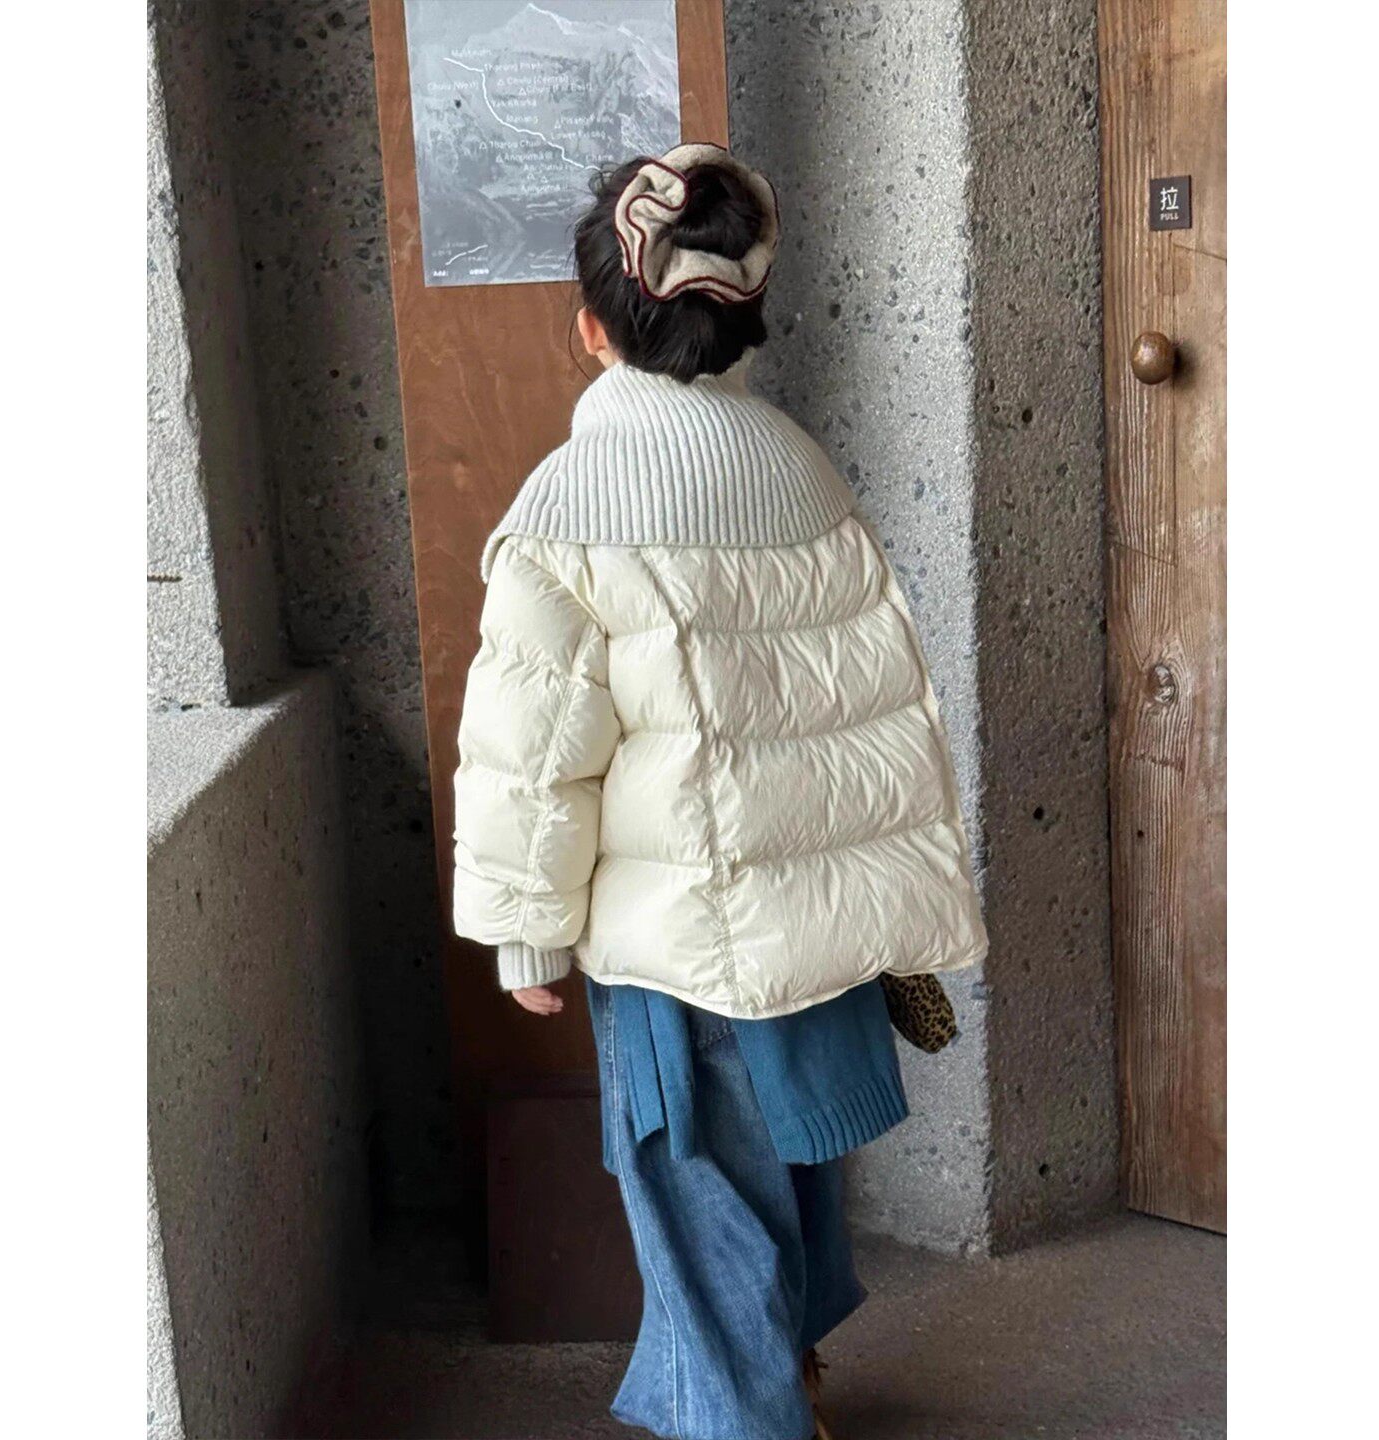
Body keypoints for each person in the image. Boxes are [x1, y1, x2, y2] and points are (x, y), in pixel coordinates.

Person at [452, 143, 987, 1440]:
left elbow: (535, 746)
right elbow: (870, 701)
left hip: (676, 932)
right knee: (789, 1172)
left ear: (592, 329)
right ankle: (788, 1382)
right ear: (744, 313)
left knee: (692, 1191)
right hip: (816, 918)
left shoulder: (570, 505)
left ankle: (748, 1420)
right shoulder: (803, 472)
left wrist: (525, 928)